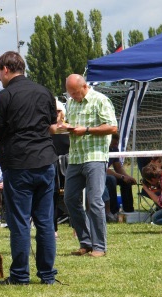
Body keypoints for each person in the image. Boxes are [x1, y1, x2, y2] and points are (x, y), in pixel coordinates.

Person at [0, 51, 58, 285]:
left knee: (19, 222)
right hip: (46, 162)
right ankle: (47, 275)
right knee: (46, 222)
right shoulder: (45, 92)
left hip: (18, 165)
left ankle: (19, 276)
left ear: (6, 69)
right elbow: (51, 125)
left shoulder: (3, 97)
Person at [62, 74, 117, 258]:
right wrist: (66, 127)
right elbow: (71, 123)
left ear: (84, 86)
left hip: (95, 156)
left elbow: (111, 127)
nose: (73, 97)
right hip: (76, 158)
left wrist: (85, 130)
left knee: (94, 201)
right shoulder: (70, 102)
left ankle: (99, 246)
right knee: (69, 198)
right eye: (70, 94)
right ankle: (85, 242)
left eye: (75, 93)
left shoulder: (100, 100)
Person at [104, 133, 137, 222]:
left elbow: (118, 167)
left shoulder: (115, 149)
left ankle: (129, 210)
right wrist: (122, 177)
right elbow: (105, 170)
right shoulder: (102, 149)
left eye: (116, 144)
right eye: (113, 144)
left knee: (126, 182)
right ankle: (113, 211)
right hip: (100, 175)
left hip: (109, 174)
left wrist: (128, 177)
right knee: (111, 179)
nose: (115, 146)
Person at [52, 100, 70, 238]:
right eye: (54, 111)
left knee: (76, 197)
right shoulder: (47, 130)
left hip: (68, 168)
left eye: (58, 111)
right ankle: (53, 229)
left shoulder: (69, 129)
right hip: (52, 169)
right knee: (51, 197)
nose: (56, 113)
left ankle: (77, 228)